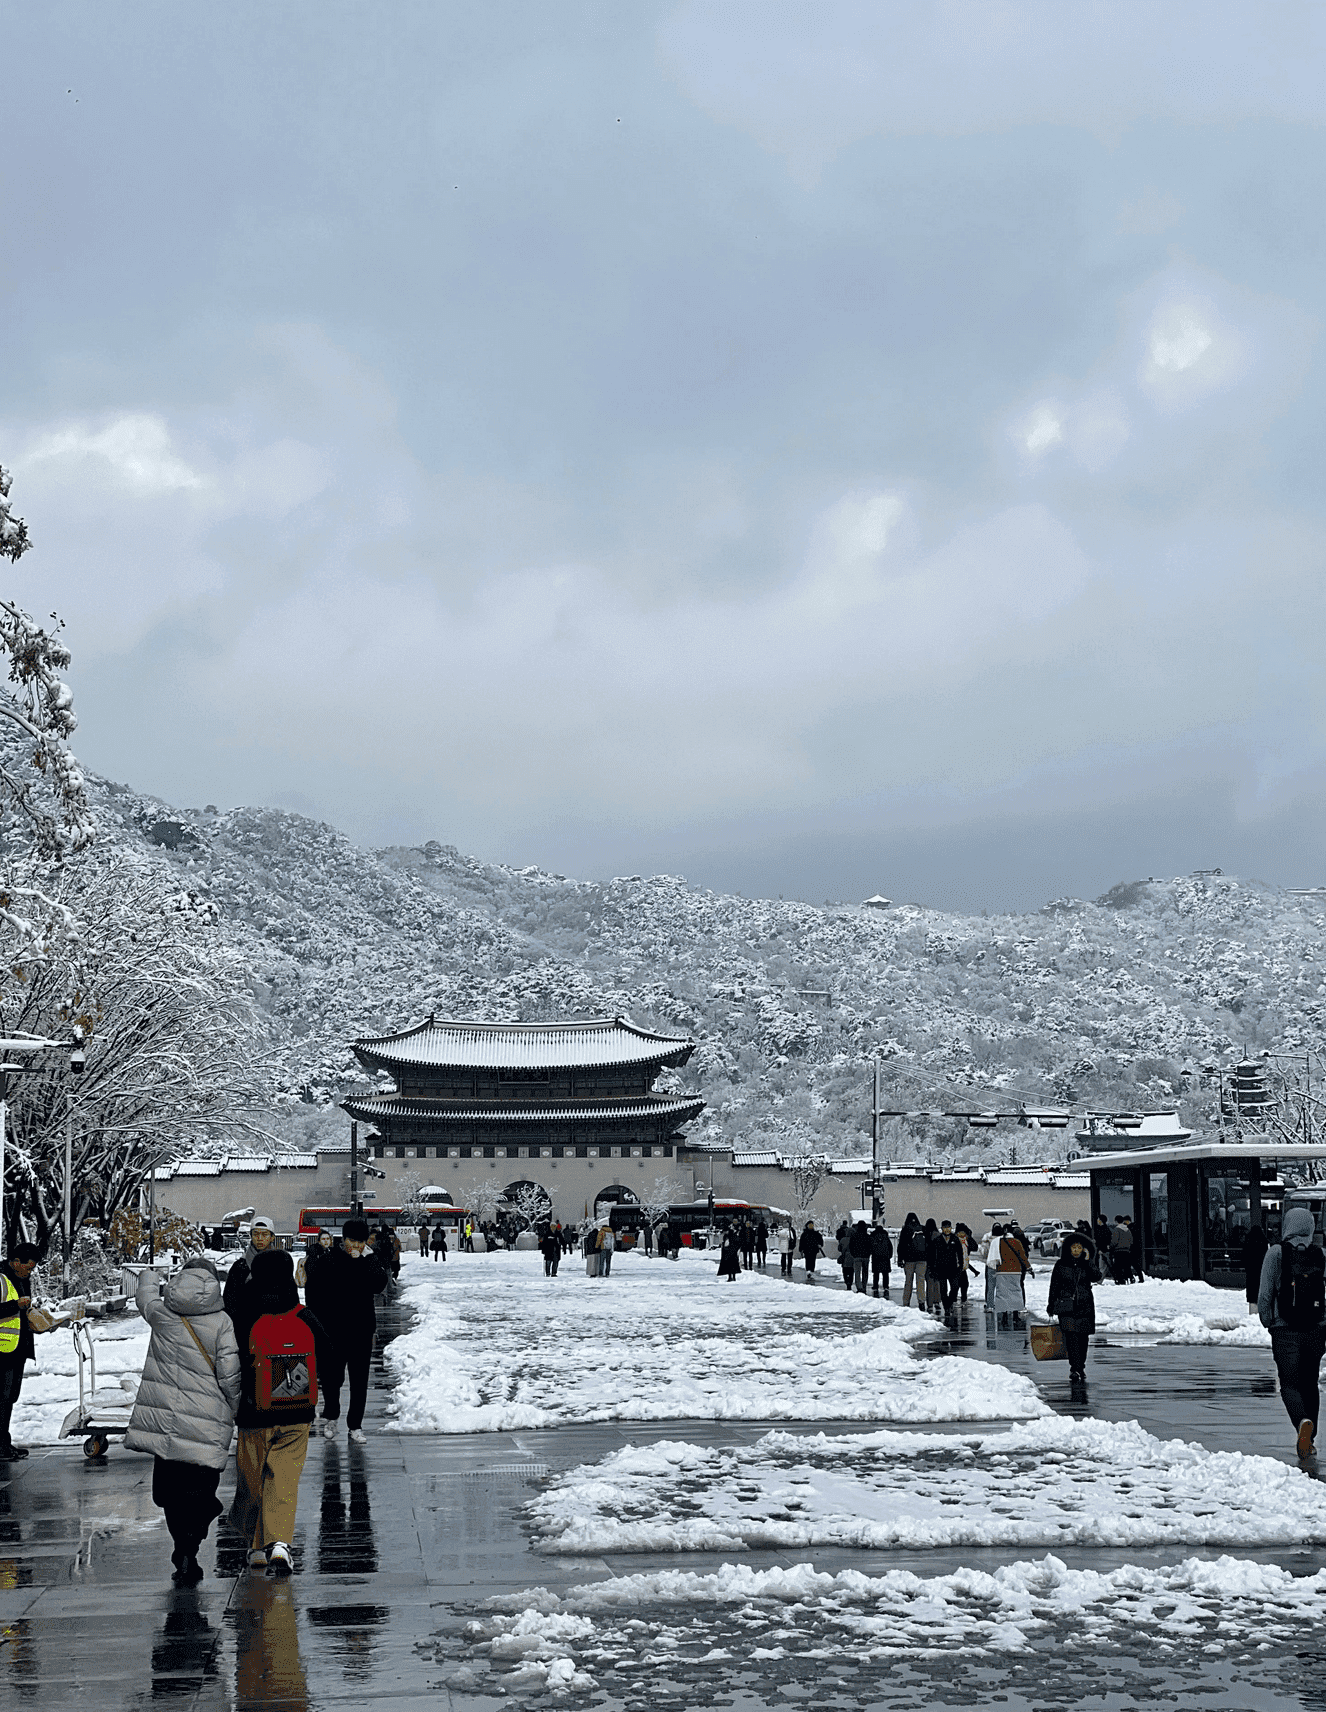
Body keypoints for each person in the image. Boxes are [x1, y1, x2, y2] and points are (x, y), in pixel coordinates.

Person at [125, 1256, 241, 1584]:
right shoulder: (221, 1321)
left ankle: (183, 1551)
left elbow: (145, 1297)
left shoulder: (163, 1315)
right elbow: (229, 1373)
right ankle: (192, 1544)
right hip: (206, 1422)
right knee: (202, 1492)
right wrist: (235, 1406)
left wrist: (149, 1275)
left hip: (166, 1424)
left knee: (171, 1496)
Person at [230, 1248, 327, 1573]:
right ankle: (280, 1543)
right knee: (283, 1479)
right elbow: (328, 1353)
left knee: (253, 1480)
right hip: (297, 1413)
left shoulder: (243, 1314)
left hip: (253, 1413)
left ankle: (256, 1546)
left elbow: (229, 1362)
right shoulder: (302, 1315)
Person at [304, 1217, 389, 1443]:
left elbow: (379, 1283)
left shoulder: (367, 1260)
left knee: (359, 1380)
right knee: (332, 1378)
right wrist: (319, 1324)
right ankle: (331, 1416)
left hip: (361, 1330)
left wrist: (369, 1258)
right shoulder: (329, 1259)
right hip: (334, 1331)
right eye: (352, 1241)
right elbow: (313, 1292)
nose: (356, 1246)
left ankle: (355, 1425)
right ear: (343, 1240)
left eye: (361, 1242)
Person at [1259, 1206, 1326, 1458]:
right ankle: (1310, 1440)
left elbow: (1265, 1294)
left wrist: (1269, 1321)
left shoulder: (1276, 1253)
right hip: (1315, 1329)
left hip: (1285, 1329)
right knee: (1310, 1383)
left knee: (1289, 1383)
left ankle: (1301, 1423)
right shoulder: (1320, 1254)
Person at [0, 1242, 43, 1459]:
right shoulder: (1, 1278)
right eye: (28, 1267)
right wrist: (16, 1305)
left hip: (17, 1348)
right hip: (2, 1350)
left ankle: (4, 1443)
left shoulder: (21, 1279)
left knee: (9, 1398)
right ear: (16, 1262)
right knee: (2, 1398)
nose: (30, 1272)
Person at [1047, 1232, 1099, 1382]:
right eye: (1073, 1247)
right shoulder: (1061, 1264)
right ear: (1068, 1249)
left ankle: (1080, 1366)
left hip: (1085, 1306)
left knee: (1083, 1339)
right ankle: (1074, 1368)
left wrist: (1088, 1262)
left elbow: (1096, 1276)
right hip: (1067, 1306)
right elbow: (1054, 1285)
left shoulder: (1087, 1264)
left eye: (1079, 1247)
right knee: (1071, 1338)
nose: (1076, 1250)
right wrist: (1051, 1304)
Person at [223, 1216, 277, 1328]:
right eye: (256, 1234)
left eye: (264, 1234)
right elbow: (229, 1300)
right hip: (244, 1326)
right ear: (251, 1236)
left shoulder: (280, 1264)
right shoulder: (240, 1266)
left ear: (272, 1237)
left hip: (274, 1326)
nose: (260, 1238)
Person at [992, 1223, 1029, 1324]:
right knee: (1015, 1292)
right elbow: (1023, 1256)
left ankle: (1004, 1316)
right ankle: (1015, 1315)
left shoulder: (998, 1242)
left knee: (1003, 1293)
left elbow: (993, 1256)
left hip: (1001, 1271)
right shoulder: (1017, 1242)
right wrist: (1028, 1267)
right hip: (1015, 1271)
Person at [898, 1213, 927, 1308]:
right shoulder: (923, 1229)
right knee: (920, 1281)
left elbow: (901, 1245)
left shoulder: (905, 1229)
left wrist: (900, 1259)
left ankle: (906, 1302)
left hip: (909, 1259)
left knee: (908, 1281)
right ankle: (921, 1302)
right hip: (922, 1259)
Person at [1243, 1222, 1269, 1317]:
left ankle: (1253, 1313)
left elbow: (1244, 1256)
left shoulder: (1248, 1240)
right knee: (1260, 1290)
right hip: (1260, 1270)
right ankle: (1261, 1313)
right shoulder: (1263, 1240)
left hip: (1251, 1271)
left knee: (1252, 1293)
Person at [923, 1219, 944, 1313]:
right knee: (937, 1283)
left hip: (928, 1262)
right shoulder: (939, 1235)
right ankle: (937, 1302)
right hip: (938, 1263)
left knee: (929, 1284)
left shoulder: (925, 1235)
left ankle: (930, 1304)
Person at [869, 1222, 893, 1297]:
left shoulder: (873, 1236)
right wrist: (889, 1256)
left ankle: (875, 1286)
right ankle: (886, 1286)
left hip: (876, 1258)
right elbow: (890, 1247)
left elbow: (870, 1247)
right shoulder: (886, 1237)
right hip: (885, 1258)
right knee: (885, 1273)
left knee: (876, 1273)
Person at [848, 1219, 871, 1294]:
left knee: (857, 1272)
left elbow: (851, 1246)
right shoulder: (868, 1236)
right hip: (866, 1257)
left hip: (857, 1256)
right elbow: (871, 1247)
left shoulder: (854, 1236)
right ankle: (864, 1286)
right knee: (865, 1272)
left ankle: (859, 1287)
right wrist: (869, 1254)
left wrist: (854, 1254)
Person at [1109, 1216, 1133, 1286]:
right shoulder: (1128, 1230)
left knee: (1118, 1266)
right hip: (1127, 1250)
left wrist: (1110, 1246)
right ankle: (1129, 1277)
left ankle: (1120, 1279)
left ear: (1116, 1221)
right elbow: (1131, 1240)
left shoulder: (1116, 1229)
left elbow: (1114, 1241)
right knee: (1126, 1265)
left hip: (1118, 1250)